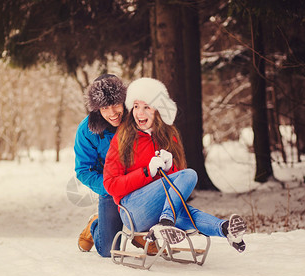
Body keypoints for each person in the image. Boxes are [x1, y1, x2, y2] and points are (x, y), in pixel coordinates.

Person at [103, 77, 247, 253]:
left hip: (162, 208)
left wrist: (170, 167)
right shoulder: (122, 138)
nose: (139, 113)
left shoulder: (169, 136)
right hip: (132, 210)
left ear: (158, 110)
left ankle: (226, 229)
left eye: (146, 107)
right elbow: (110, 185)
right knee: (189, 175)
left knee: (184, 209)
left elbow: (177, 189)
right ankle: (166, 222)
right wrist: (147, 172)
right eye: (136, 106)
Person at [75, 74, 156, 257]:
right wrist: (110, 187)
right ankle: (96, 225)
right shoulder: (86, 130)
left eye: (116, 105)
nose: (112, 113)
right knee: (108, 251)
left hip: (140, 184)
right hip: (111, 189)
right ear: (97, 109)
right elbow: (83, 170)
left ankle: (140, 232)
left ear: (124, 101)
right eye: (104, 107)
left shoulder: (137, 118)